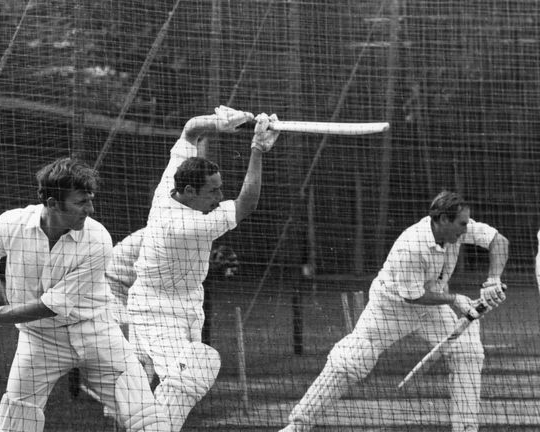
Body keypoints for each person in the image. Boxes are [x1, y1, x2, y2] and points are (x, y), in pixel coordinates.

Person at [0, 158, 169, 432]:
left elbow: (53, 305)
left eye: (90, 200)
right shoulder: (12, 223)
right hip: (40, 341)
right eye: (81, 202)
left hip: (98, 335)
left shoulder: (98, 239)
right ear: (51, 203)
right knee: (13, 428)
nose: (90, 209)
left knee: (150, 423)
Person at [279, 191, 509, 432]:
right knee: (354, 358)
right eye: (461, 224)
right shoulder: (412, 245)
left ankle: (466, 429)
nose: (465, 229)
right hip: (391, 307)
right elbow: (413, 295)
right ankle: (298, 425)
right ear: (442, 219)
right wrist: (455, 299)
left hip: (432, 307)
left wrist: (493, 279)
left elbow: (498, 240)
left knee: (468, 350)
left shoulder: (459, 229)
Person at [126, 106, 280, 431]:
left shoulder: (174, 182)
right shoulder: (185, 224)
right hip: (157, 312)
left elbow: (190, 130)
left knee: (149, 387)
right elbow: (246, 204)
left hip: (182, 306)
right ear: (190, 192)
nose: (219, 197)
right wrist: (257, 149)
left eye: (220, 188)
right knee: (198, 366)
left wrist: (219, 124)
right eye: (213, 191)